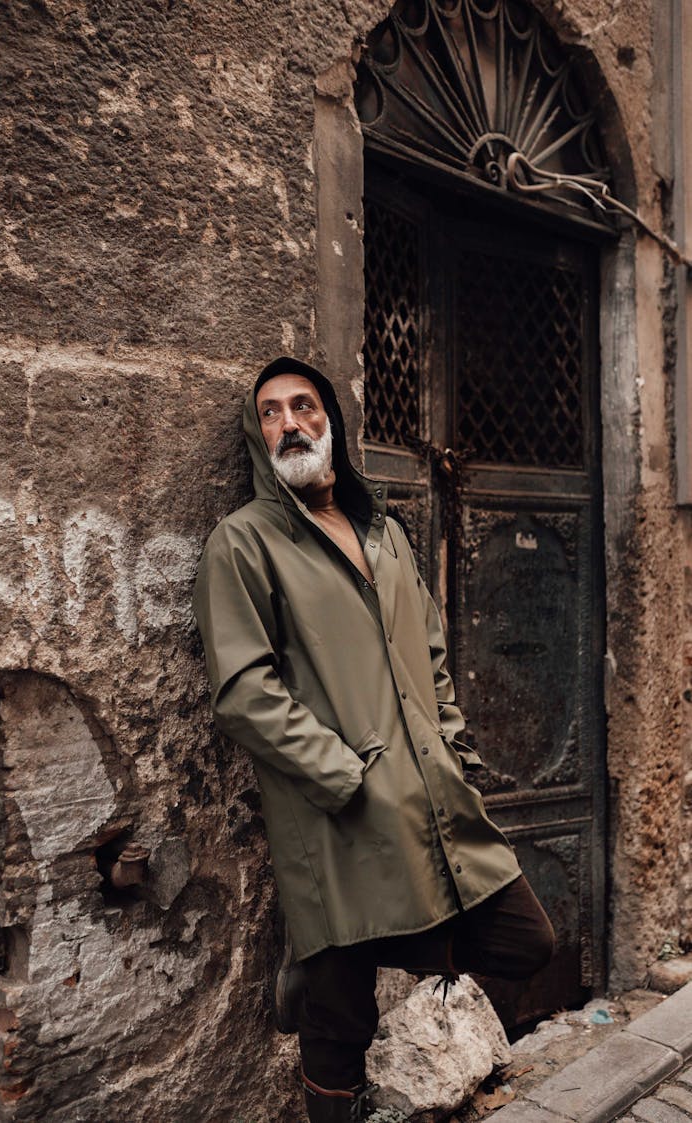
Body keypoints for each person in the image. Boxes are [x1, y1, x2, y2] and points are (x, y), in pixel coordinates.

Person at [192, 357, 554, 1123]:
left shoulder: (385, 533)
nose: (288, 422)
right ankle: (321, 978)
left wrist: (454, 752)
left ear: (333, 422)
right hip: (333, 822)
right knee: (339, 1031)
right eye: (269, 413)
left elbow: (431, 658)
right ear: (258, 436)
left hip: (428, 805)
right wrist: (346, 775)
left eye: (303, 406)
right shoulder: (244, 543)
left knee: (528, 939)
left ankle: (318, 967)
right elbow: (242, 690)